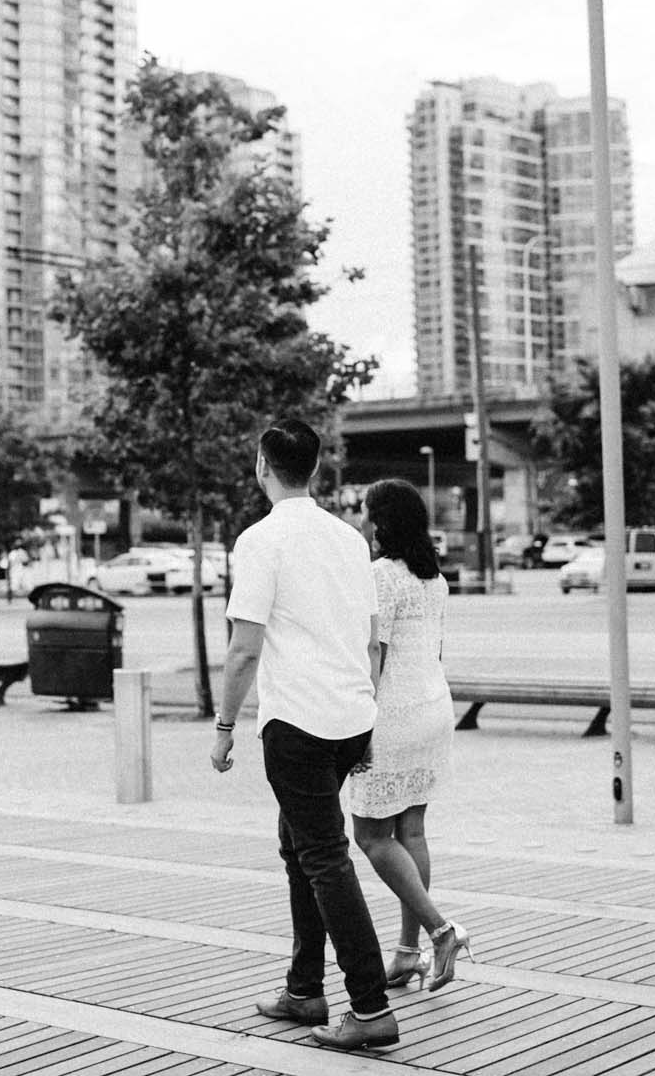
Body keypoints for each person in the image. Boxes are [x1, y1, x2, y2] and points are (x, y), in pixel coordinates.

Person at [210, 418, 398, 1053]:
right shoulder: (349, 539)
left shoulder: (260, 541)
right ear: (314, 469)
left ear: (264, 466)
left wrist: (223, 727)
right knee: (301, 846)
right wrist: (365, 712)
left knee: (322, 857)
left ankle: (369, 1007)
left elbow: (242, 649)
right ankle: (303, 988)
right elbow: (372, 640)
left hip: (298, 724)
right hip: (350, 718)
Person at [348, 479, 470, 993]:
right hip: (433, 708)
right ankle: (405, 953)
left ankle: (440, 931)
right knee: (412, 832)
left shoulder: (379, 576)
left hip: (392, 713)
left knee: (371, 835)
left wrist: (359, 725)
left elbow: (374, 654)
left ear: (382, 522)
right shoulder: (433, 578)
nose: (359, 521)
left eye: (364, 512)